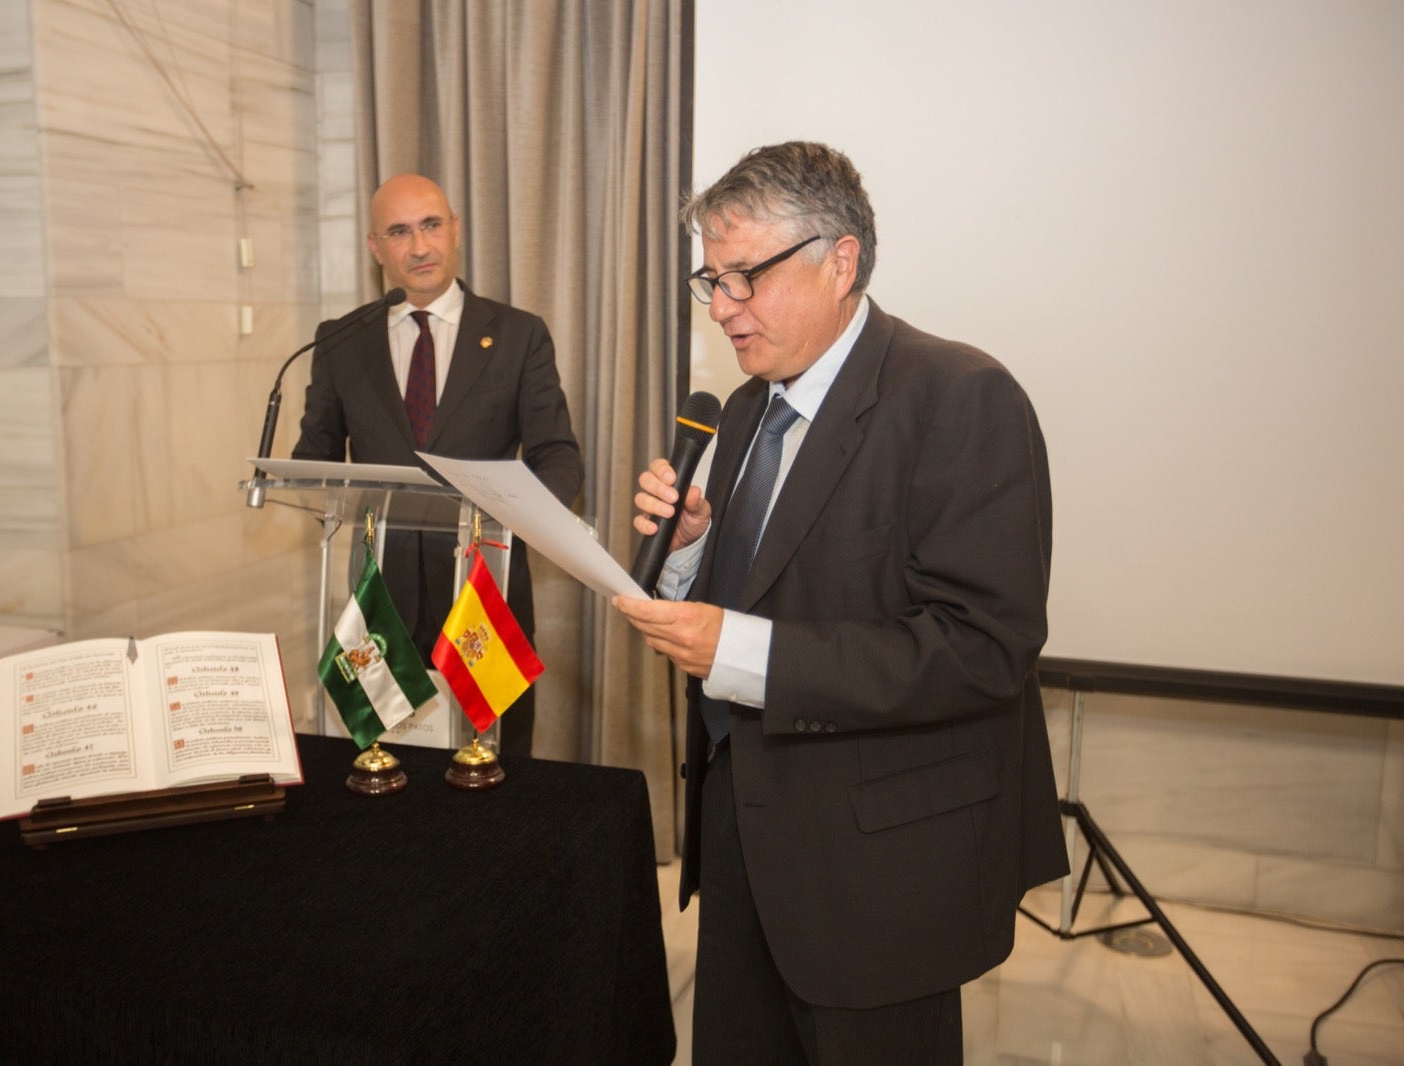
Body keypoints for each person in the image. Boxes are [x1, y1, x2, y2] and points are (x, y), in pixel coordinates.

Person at [612, 142, 1067, 1064]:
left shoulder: (961, 397)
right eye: (713, 279)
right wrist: (694, 552)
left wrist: (741, 653)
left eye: (746, 276)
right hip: (745, 833)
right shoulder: (744, 410)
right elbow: (759, 593)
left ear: (841, 260)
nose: (724, 307)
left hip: (880, 866)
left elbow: (982, 647)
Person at [294, 174, 583, 758]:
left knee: (493, 762)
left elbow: (558, 457)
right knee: (383, 763)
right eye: (400, 232)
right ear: (376, 247)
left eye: (431, 225)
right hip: (380, 599)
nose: (419, 246)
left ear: (455, 230)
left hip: (485, 594)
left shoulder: (518, 335)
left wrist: (517, 522)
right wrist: (297, 477)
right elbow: (313, 460)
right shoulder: (340, 340)